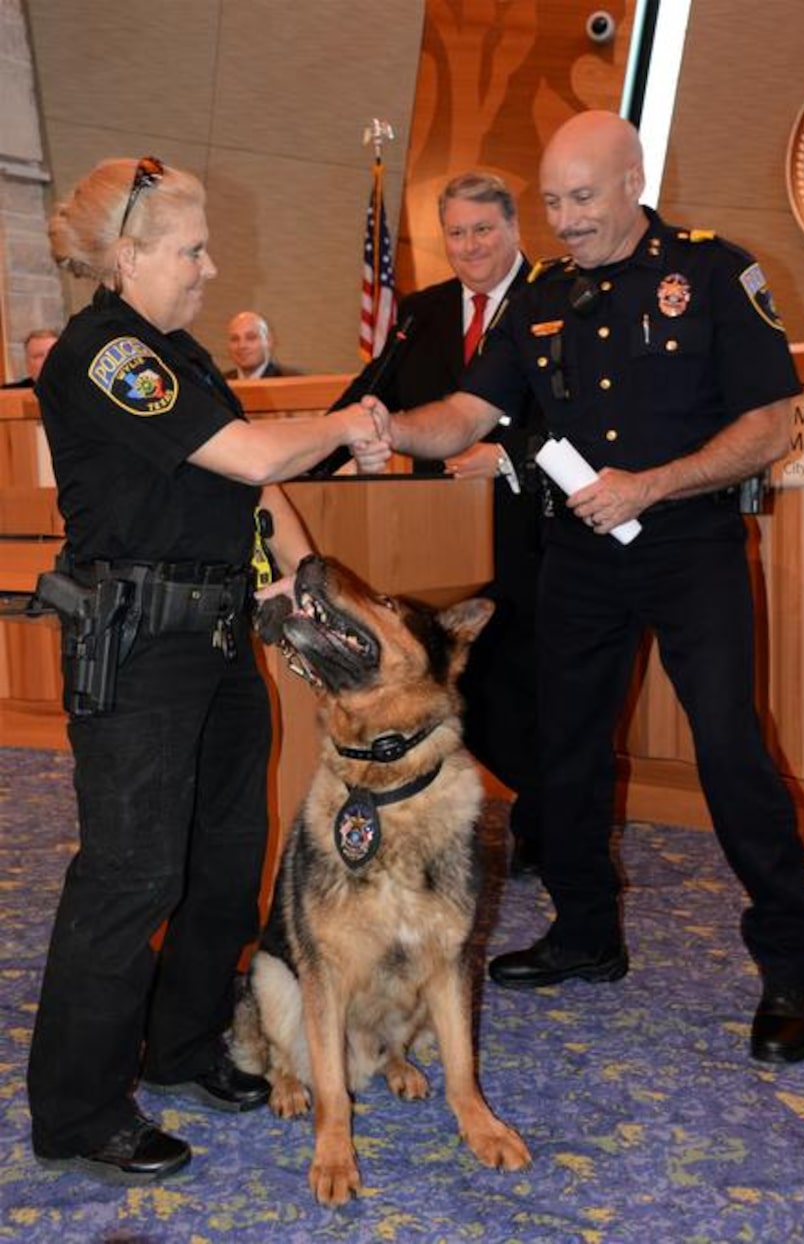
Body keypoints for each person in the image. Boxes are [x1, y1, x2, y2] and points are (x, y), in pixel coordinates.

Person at [355, 111, 804, 1065]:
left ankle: (792, 962)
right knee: (564, 747)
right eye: (552, 203)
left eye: (581, 199)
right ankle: (584, 933)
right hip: (579, 559)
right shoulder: (542, 300)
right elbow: (464, 413)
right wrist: (391, 431)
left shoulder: (715, 272)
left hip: (690, 548)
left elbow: (771, 426)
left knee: (731, 748)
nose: (563, 222)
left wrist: (652, 484)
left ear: (632, 181)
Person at [26, 155, 377, 1185]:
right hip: (138, 650)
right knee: (131, 874)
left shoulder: (178, 357)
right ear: (128, 255)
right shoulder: (102, 355)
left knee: (224, 860)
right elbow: (254, 456)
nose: (210, 267)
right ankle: (79, 1108)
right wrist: (351, 422)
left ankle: (179, 1046)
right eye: (190, 248)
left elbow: (257, 497)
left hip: (219, 638)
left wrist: (306, 597)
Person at [323, 172, 546, 873]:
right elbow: (369, 400)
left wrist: (509, 454)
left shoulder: (556, 298)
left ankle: (546, 828)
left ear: (514, 228)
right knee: (453, 687)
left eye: (484, 228)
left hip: (532, 529)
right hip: (434, 540)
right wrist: (309, 451)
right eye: (457, 232)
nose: (471, 244)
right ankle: (455, 822)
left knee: (530, 686)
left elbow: (590, 419)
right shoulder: (421, 312)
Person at [224, 309, 299, 379]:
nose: (242, 345)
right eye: (235, 339)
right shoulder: (218, 384)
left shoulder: (294, 381)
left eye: (251, 338)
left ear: (269, 341)